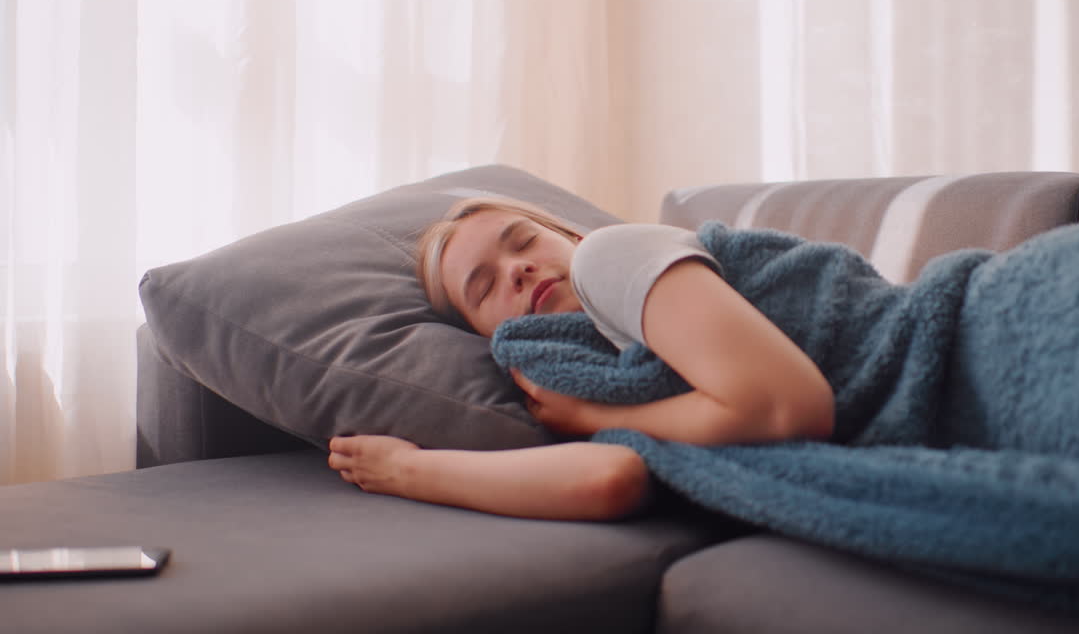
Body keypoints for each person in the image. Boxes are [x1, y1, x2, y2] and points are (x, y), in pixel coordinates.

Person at [327, 196, 839, 520]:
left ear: (573, 237)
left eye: (524, 241)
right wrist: (407, 469)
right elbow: (608, 480)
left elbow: (787, 408)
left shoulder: (609, 256)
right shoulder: (589, 370)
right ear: (483, 335)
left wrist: (595, 417)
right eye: (484, 287)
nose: (519, 268)